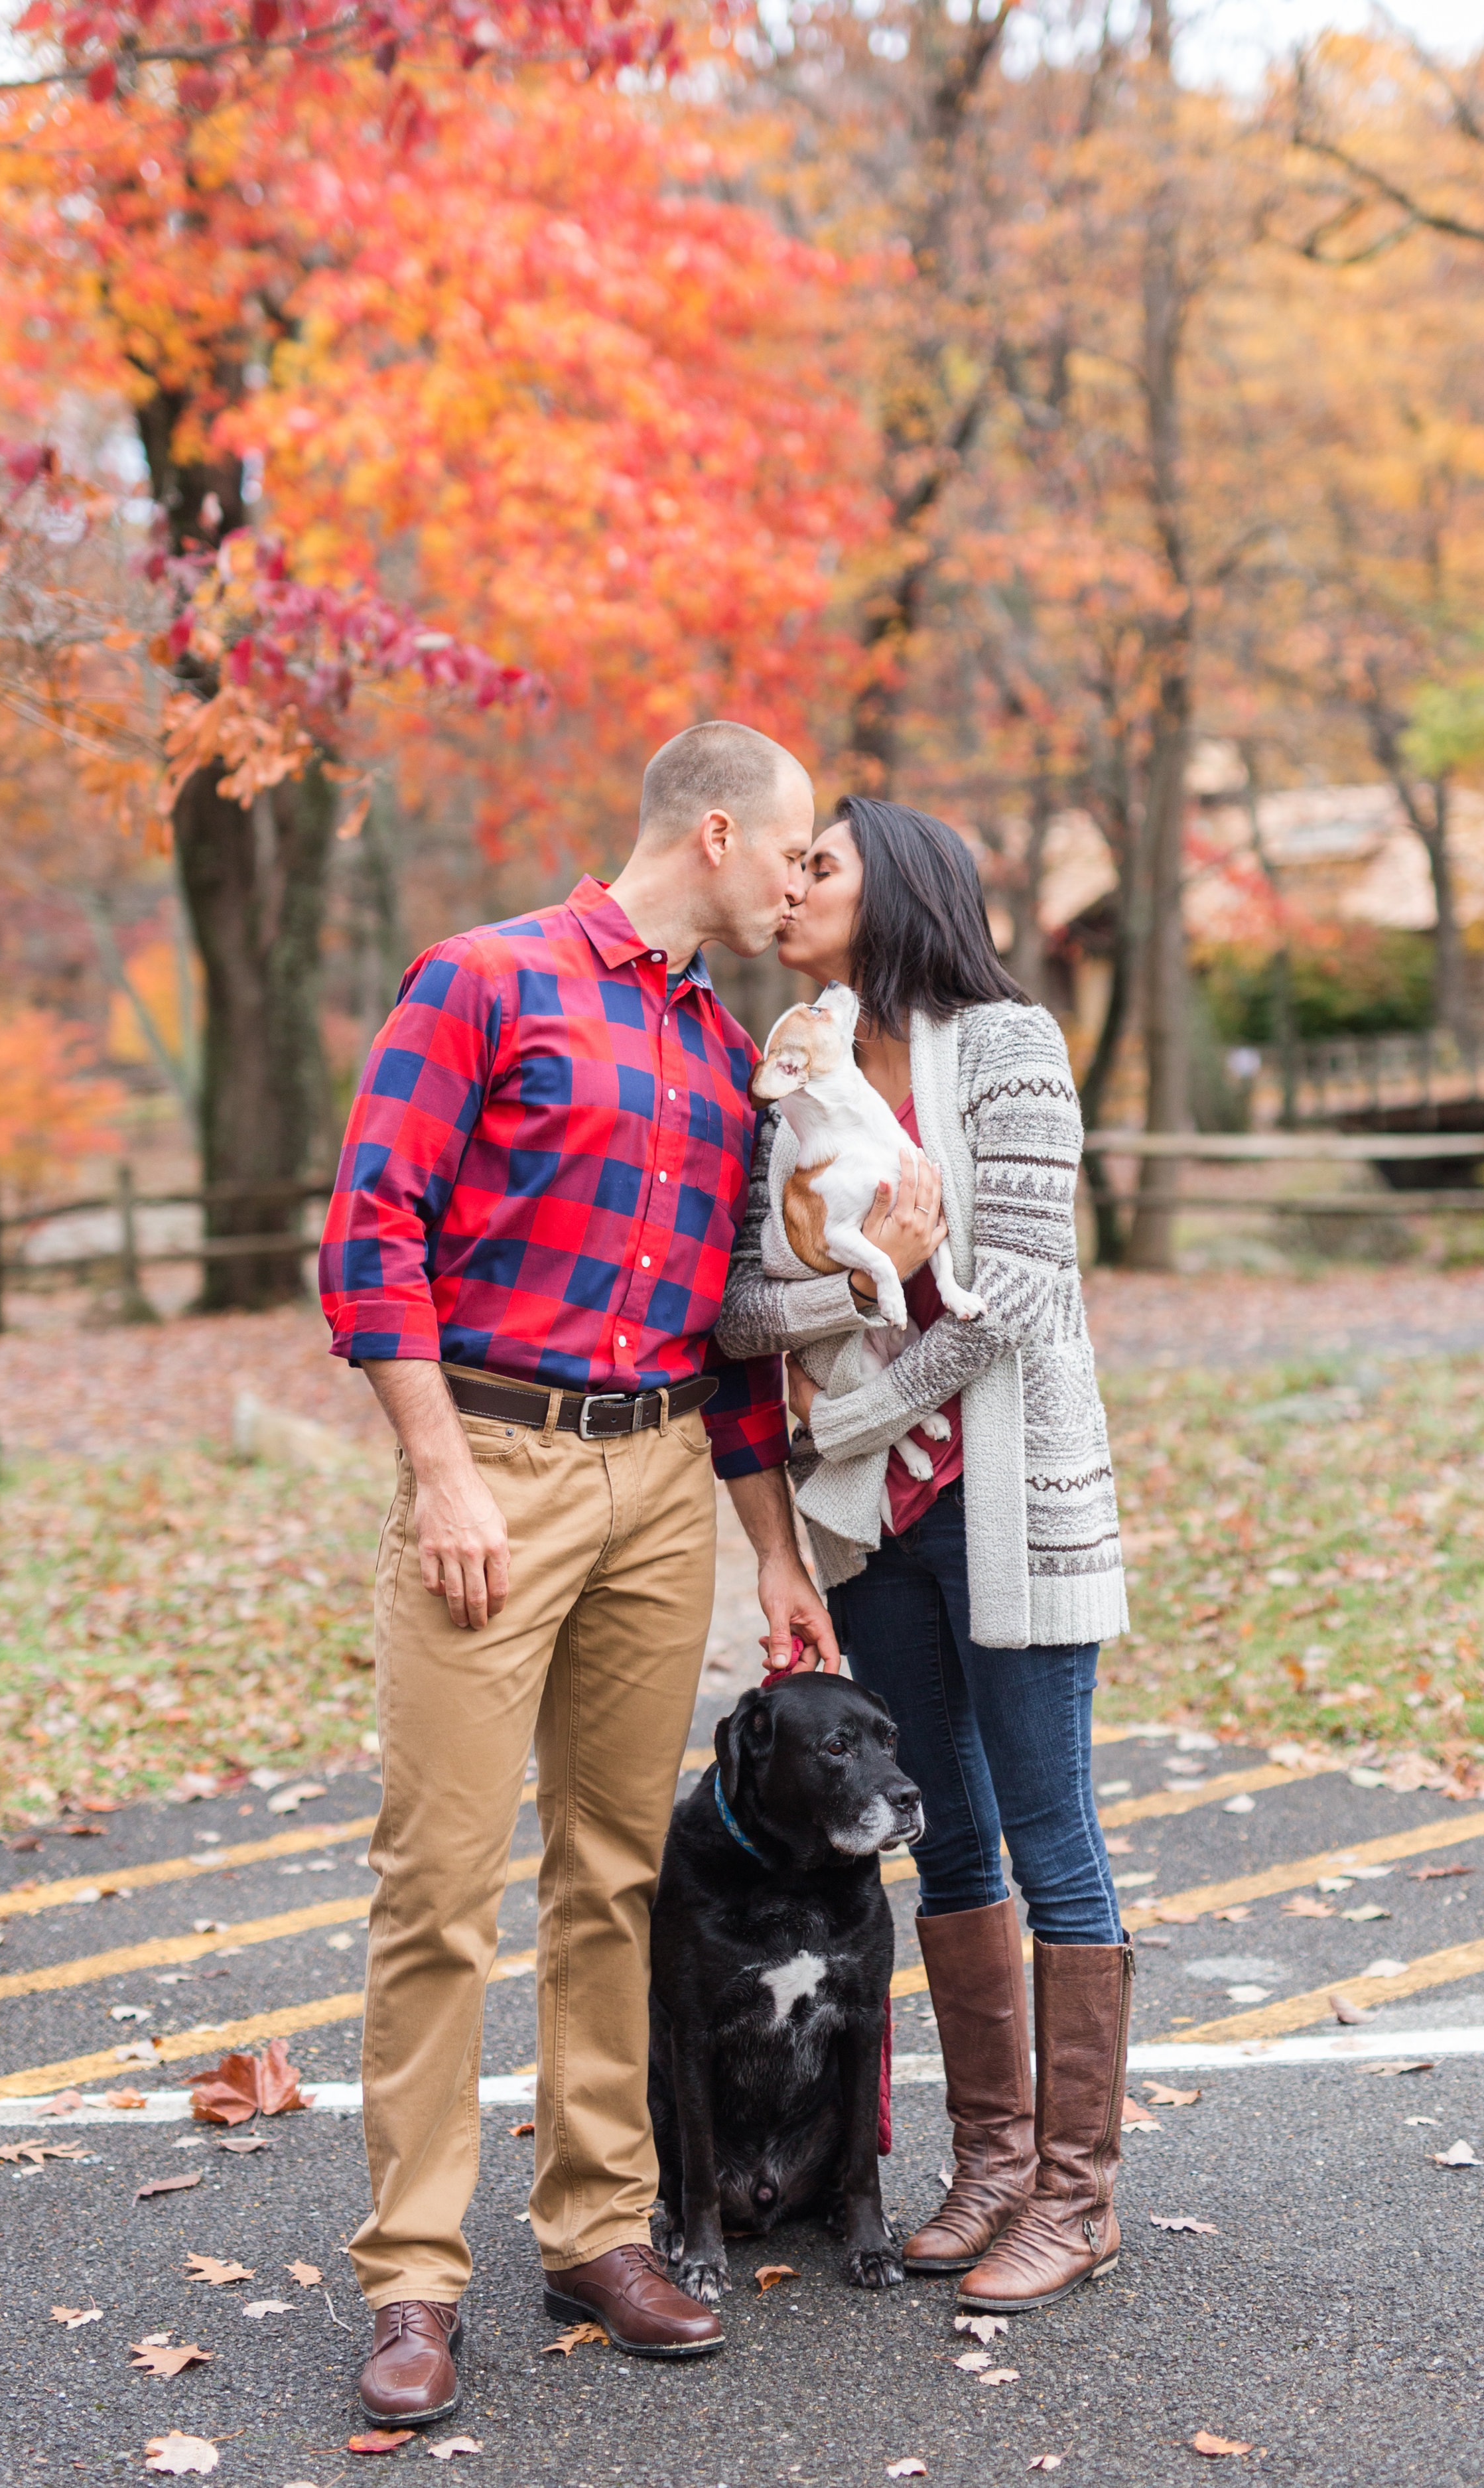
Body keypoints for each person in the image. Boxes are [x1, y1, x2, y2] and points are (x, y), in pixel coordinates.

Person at [319, 721, 843, 2424]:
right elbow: (368, 1233)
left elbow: (730, 1345)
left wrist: (769, 1555)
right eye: (789, 849)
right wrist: (444, 1472)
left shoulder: (722, 1060)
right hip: (499, 1468)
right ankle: (412, 2277)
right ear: (713, 834)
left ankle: (599, 2226)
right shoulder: (485, 982)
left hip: (659, 1479)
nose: (797, 877)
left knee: (617, 1875)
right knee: (441, 1889)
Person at [714, 795, 1130, 2317]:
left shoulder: (1008, 1046)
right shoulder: (791, 1075)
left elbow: (1018, 1290)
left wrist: (847, 1413)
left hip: (1005, 1503)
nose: (789, 884)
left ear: (891, 885)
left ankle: (1076, 2199)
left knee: (1048, 1836)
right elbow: (746, 1314)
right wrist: (879, 1271)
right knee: (937, 1838)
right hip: (878, 1526)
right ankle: (994, 2166)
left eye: (817, 864)